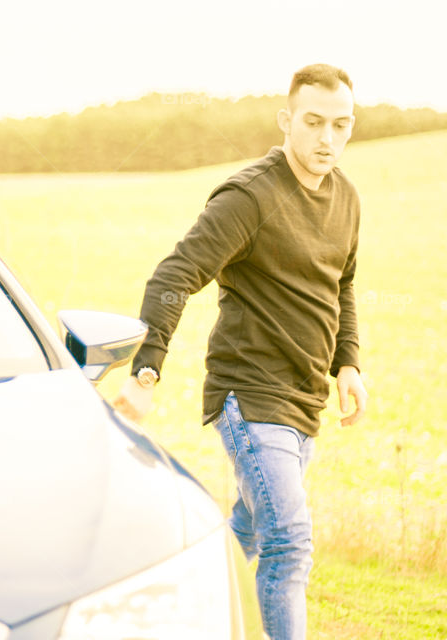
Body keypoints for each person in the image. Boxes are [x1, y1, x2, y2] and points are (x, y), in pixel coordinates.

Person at [113, 63, 369, 640]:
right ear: (286, 121)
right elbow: (174, 274)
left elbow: (342, 283)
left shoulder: (347, 198)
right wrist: (146, 371)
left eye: (340, 124)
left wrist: (347, 362)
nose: (327, 138)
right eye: (313, 122)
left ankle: (175, 613)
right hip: (249, 395)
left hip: (305, 400)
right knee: (290, 541)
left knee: (249, 532)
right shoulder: (251, 196)